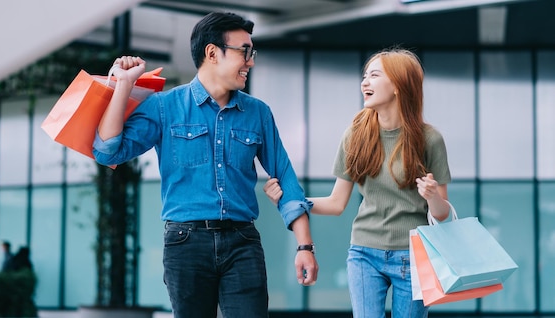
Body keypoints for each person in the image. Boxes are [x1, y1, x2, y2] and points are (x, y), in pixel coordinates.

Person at [92, 11, 318, 318]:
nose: (250, 62)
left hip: (242, 242)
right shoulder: (165, 107)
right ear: (212, 53)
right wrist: (123, 85)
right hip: (186, 244)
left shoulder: (258, 113)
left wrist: (305, 247)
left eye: (252, 53)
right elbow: (108, 152)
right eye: (244, 52)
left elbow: (285, 176)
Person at [263, 47, 451, 318]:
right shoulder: (357, 134)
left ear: (398, 85)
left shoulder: (429, 139)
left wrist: (432, 195)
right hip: (364, 253)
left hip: (414, 257)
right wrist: (289, 201)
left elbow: (442, 214)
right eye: (364, 76)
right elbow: (337, 203)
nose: (365, 82)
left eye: (374, 75)